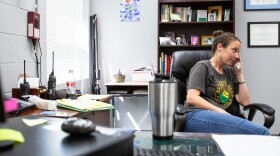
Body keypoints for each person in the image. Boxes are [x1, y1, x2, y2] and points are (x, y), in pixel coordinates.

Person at [184, 30, 270, 135]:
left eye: (239, 52)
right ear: (220, 47)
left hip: (219, 118)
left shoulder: (230, 71)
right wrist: (221, 112)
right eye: (234, 50)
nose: (237, 56)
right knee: (261, 132)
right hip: (196, 115)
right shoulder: (203, 66)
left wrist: (239, 73)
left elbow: (245, 102)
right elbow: (191, 98)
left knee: (258, 133)